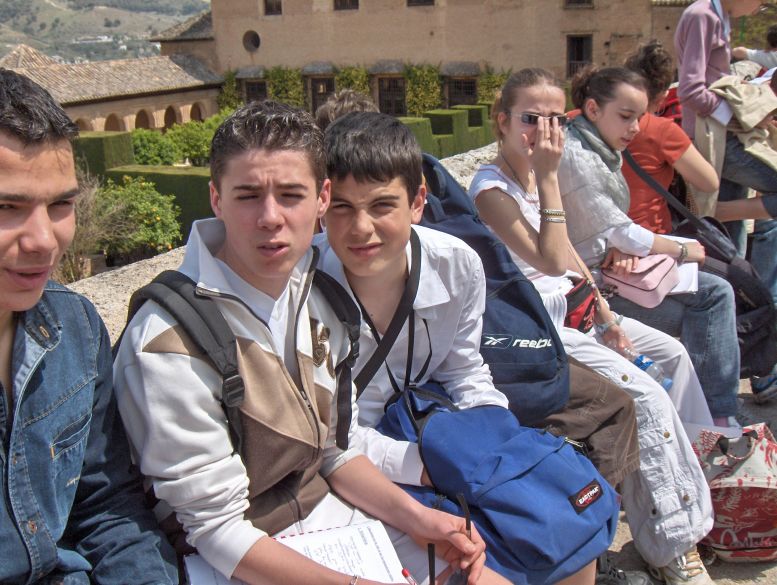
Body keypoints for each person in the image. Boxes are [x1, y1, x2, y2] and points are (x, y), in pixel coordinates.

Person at [113, 100, 498, 585]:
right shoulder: (168, 342)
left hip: (329, 523)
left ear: (321, 198)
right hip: (233, 562)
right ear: (216, 198)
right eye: (248, 195)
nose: (270, 217)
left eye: (291, 195)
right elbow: (215, 530)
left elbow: (333, 451)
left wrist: (419, 519)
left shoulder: (317, 298)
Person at [316, 110, 607, 585]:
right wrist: (428, 466)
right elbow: (331, 438)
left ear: (417, 202)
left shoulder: (456, 265)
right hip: (361, 470)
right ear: (323, 204)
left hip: (443, 441)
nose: (361, 228)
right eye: (342, 208)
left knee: (571, 537)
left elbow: (465, 370)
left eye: (382, 205)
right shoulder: (304, 292)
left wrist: (493, 440)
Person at [469, 68, 717, 585]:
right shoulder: (492, 190)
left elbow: (573, 258)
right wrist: (550, 178)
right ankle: (671, 544)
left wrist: (607, 316)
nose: (543, 131)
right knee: (646, 397)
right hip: (537, 327)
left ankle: (692, 485)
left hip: (579, 311)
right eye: (530, 118)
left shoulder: (537, 176)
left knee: (672, 355)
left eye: (555, 119)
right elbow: (551, 260)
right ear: (502, 122)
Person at [0, 69, 179, 583]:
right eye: (7, 207)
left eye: (61, 204)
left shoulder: (74, 327)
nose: (44, 240)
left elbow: (105, 504)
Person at [556, 66, 742, 430]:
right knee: (713, 300)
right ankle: (715, 419)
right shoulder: (578, 156)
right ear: (593, 109)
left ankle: (710, 418)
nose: (635, 128)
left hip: (610, 273)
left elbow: (607, 227)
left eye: (639, 117)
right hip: (592, 290)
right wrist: (682, 250)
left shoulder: (593, 146)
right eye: (626, 116)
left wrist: (625, 245)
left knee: (714, 298)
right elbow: (615, 228)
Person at [675, 0, 777, 404]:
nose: (762, 5)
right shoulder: (703, 15)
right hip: (718, 138)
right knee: (734, 251)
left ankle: (749, 364)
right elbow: (691, 89)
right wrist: (742, 114)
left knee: (729, 256)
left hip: (725, 137)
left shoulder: (720, 16)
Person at [621, 40, 719, 235]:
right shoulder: (663, 131)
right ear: (663, 96)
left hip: (590, 238)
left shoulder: (582, 119)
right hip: (648, 236)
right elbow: (709, 183)